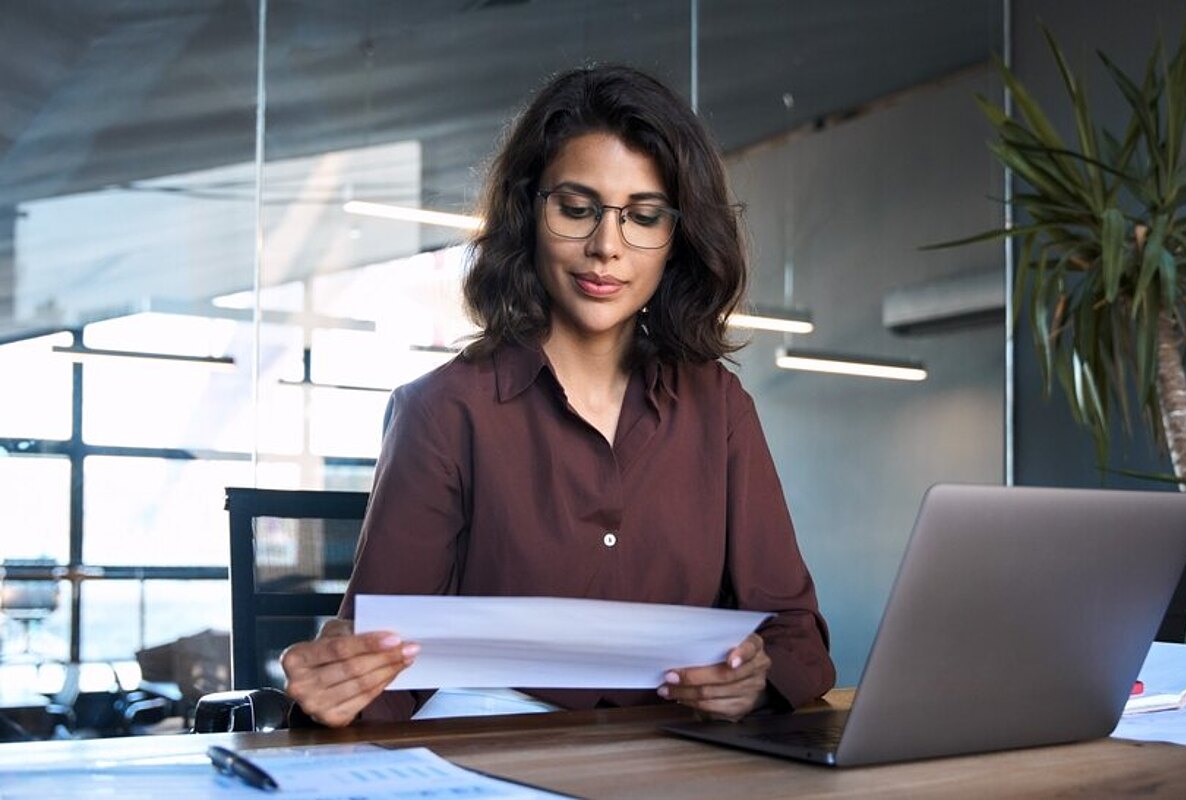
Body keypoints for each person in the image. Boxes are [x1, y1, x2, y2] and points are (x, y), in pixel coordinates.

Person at [280, 64, 835, 727]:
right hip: (492, 747)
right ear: (528, 214)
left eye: (644, 216)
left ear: (675, 240)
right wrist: (336, 685)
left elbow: (797, 637)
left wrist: (755, 681)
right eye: (576, 209)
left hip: (676, 758)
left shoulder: (719, 409)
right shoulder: (442, 411)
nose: (606, 247)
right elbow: (380, 671)